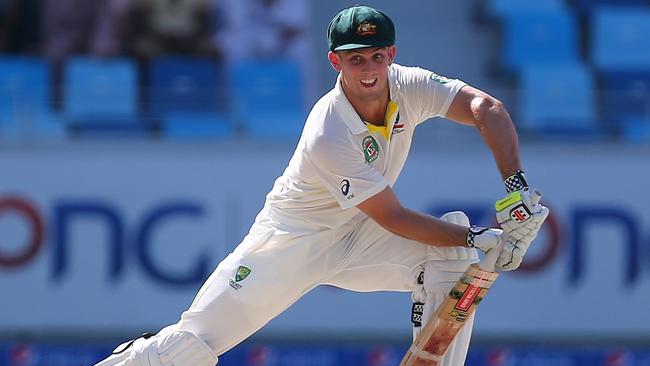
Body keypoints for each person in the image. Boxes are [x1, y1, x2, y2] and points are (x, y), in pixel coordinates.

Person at [94, 5, 549, 366]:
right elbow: (393, 217)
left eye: (376, 56)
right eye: (355, 59)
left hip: (356, 238)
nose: (368, 69)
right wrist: (481, 236)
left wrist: (516, 188)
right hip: (291, 242)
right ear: (336, 61)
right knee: (190, 347)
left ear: (391, 54)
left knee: (453, 258)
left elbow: (484, 108)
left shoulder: (409, 84)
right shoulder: (329, 130)